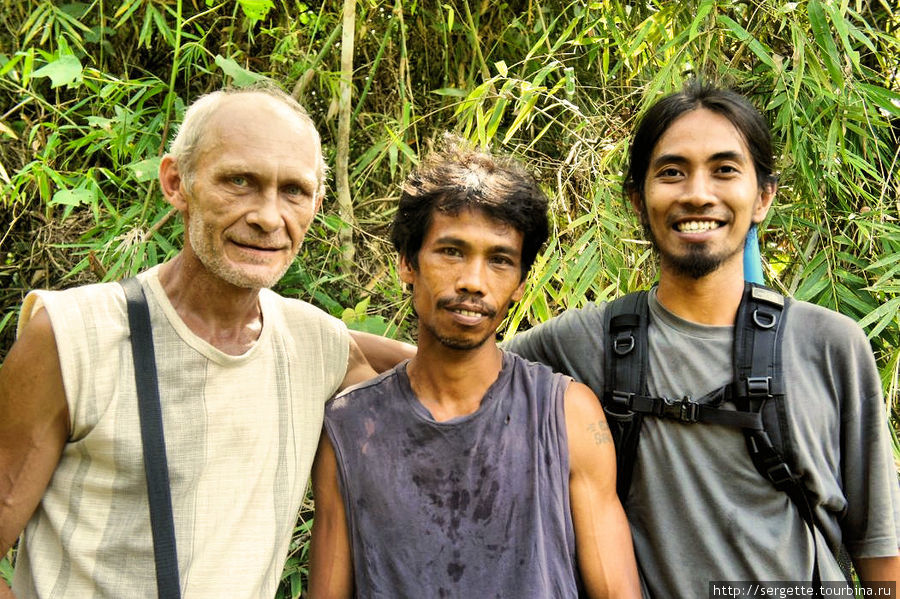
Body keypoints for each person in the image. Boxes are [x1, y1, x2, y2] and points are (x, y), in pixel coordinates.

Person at [503, 83, 900, 597]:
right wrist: (360, 350)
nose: (697, 193)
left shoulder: (829, 345)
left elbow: (879, 544)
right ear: (637, 200)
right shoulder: (587, 341)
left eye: (725, 170)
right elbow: (457, 377)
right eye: (671, 172)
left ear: (763, 197)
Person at [0, 83, 379, 598]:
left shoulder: (319, 347)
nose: (269, 217)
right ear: (177, 182)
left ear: (315, 204)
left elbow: (445, 380)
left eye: (294, 190)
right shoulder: (73, 337)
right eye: (239, 181)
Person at [307, 137, 642, 599]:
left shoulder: (568, 414)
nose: (473, 282)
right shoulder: (348, 429)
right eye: (451, 251)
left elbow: (617, 592)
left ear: (521, 283)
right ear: (407, 263)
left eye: (500, 260)